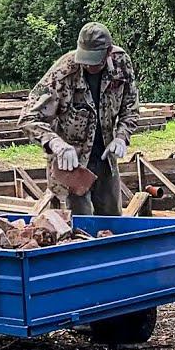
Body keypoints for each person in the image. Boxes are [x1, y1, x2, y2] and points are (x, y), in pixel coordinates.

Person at [19, 22, 140, 215]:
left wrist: (121, 136)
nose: (89, 65)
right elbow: (28, 117)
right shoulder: (62, 73)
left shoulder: (121, 64)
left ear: (108, 52)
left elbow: (130, 108)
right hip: (71, 165)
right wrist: (56, 144)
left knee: (112, 222)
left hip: (105, 160)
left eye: (94, 61)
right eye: (85, 59)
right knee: (78, 226)